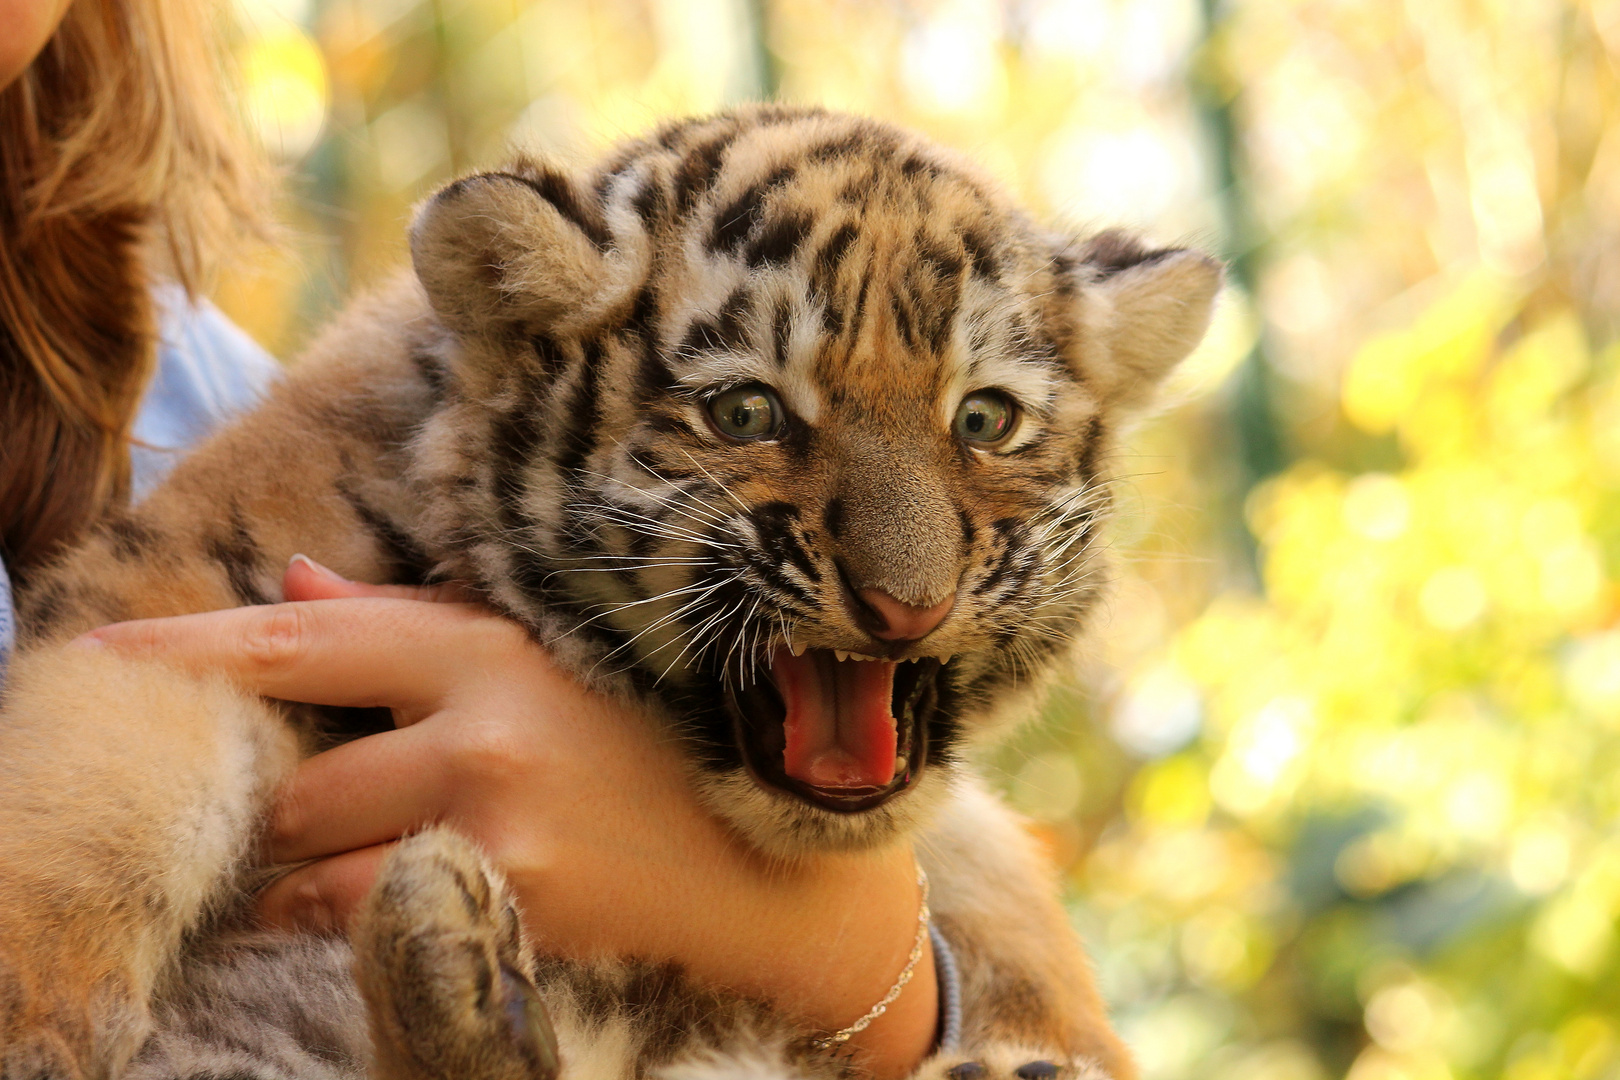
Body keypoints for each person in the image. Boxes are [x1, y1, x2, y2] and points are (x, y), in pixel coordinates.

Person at [0, 0, 938, 1075]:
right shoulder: (345, 417)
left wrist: (864, 959)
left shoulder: (174, 368)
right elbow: (127, 705)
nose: (907, 581)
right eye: (742, 413)